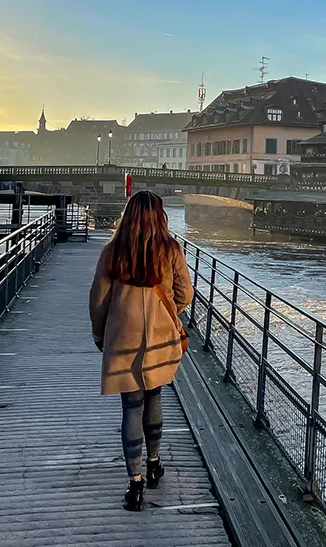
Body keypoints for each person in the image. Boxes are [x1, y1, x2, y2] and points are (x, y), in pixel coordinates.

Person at [88, 190, 194, 511]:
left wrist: (99, 333)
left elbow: (98, 301)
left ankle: (134, 484)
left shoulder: (113, 251)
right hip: (159, 335)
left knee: (130, 406)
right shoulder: (170, 249)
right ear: (160, 216)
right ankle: (154, 463)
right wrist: (169, 312)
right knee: (154, 396)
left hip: (124, 335)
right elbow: (185, 292)